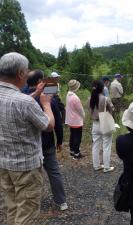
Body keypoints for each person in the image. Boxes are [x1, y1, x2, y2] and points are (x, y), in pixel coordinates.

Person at [0, 52, 55, 225]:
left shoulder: (19, 100)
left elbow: (15, 103)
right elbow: (48, 125)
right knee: (26, 215)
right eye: (26, 70)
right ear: (20, 74)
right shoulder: (25, 103)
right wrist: (46, 104)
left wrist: (36, 94)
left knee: (12, 208)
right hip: (26, 168)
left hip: (4, 163)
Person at [24, 70, 68, 211]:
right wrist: (59, 141)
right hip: (46, 142)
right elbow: (58, 124)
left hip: (28, 143)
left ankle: (30, 203)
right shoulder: (48, 99)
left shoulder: (21, 96)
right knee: (54, 172)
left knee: (29, 174)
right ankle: (61, 202)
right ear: (39, 82)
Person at [88, 80, 115, 172]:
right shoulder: (105, 98)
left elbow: (89, 111)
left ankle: (96, 165)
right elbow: (112, 109)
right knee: (106, 146)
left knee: (95, 145)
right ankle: (106, 167)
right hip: (104, 122)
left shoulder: (90, 99)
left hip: (95, 124)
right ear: (102, 88)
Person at [65, 79, 85, 160]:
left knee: (72, 135)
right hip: (76, 120)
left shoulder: (68, 94)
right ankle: (76, 154)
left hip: (70, 119)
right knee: (77, 137)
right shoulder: (75, 98)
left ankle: (72, 151)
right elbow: (80, 110)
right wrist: (83, 116)